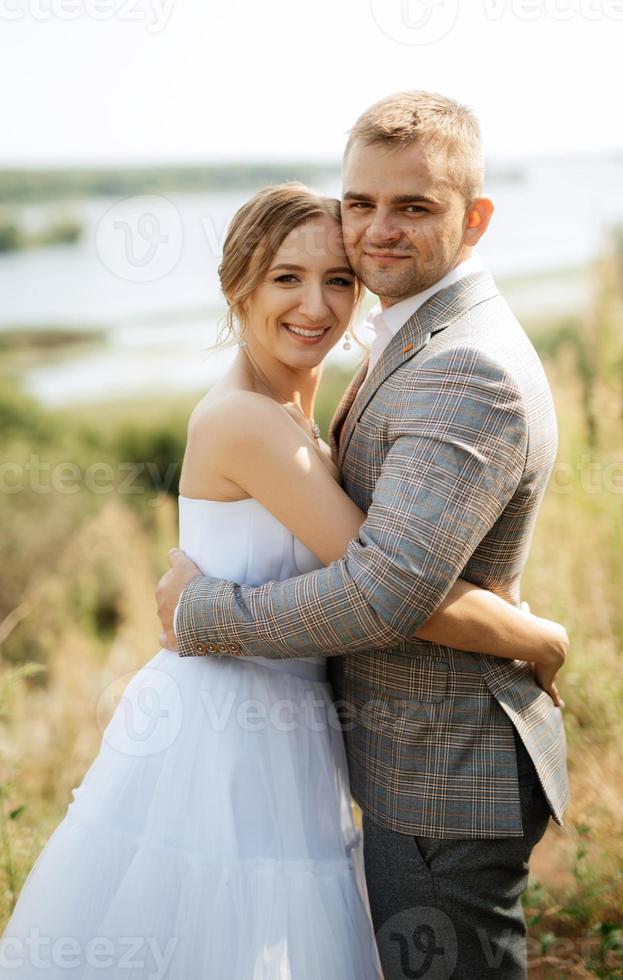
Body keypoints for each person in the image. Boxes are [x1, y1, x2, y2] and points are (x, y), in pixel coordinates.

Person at [1, 180, 566, 979]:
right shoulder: (248, 422)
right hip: (233, 729)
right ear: (239, 288)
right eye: (286, 278)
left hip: (286, 719)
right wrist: (537, 634)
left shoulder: (296, 405)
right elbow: (391, 590)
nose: (317, 305)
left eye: (338, 279)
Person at [157, 92, 570, 980]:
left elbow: (384, 589)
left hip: (444, 771)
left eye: (414, 206)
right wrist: (528, 631)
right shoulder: (406, 337)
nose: (378, 230)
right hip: (371, 752)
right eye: (362, 203)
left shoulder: (465, 366)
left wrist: (202, 614)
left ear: (475, 218)